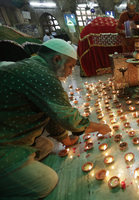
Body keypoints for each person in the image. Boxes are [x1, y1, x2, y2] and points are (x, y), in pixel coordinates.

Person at [0, 39, 111, 199]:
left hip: (12, 133)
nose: (70, 71)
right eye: (70, 66)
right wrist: (99, 127)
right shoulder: (43, 76)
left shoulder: (33, 67)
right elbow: (68, 118)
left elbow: (49, 113)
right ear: (57, 59)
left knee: (46, 145)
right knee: (46, 181)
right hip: (5, 144)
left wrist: (65, 140)